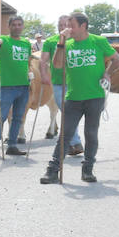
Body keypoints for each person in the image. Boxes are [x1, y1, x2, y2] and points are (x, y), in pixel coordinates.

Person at [40, 12, 115, 184]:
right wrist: (61, 42)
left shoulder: (98, 41)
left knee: (91, 133)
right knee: (65, 134)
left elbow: (116, 59)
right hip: (72, 96)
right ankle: (53, 170)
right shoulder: (67, 43)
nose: (68, 28)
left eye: (71, 25)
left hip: (95, 97)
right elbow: (57, 65)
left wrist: (107, 73)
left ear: (83, 26)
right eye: (66, 25)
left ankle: (87, 169)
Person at [0, 15, 32, 158]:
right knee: (2, 117)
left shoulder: (26, 43)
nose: (17, 27)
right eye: (14, 25)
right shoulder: (4, 39)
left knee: (18, 117)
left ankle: (12, 145)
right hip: (7, 86)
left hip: (24, 86)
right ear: (9, 26)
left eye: (19, 24)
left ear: (22, 26)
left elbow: (28, 61)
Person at [38, 15, 83, 153]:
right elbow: (43, 60)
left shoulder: (77, 40)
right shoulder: (51, 41)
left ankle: (72, 143)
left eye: (65, 25)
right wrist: (44, 75)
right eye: (60, 25)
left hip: (76, 83)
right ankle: (75, 143)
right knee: (67, 112)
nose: (62, 27)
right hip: (57, 83)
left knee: (71, 113)